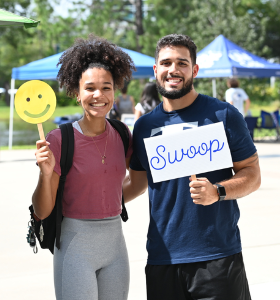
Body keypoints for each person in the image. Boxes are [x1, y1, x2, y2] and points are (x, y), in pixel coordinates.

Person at [123, 34, 261, 300]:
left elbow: (252, 175)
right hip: (163, 258)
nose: (173, 70)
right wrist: (88, 200)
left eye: (182, 63)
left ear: (194, 70)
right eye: (165, 63)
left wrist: (217, 191)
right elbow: (136, 184)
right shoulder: (143, 127)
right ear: (156, 70)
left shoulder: (223, 115)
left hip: (217, 256)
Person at [32, 34, 135, 300]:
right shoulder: (59, 139)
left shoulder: (123, 133)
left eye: (106, 87)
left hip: (115, 246)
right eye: (90, 88)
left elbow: (138, 179)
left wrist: (113, 197)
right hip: (75, 248)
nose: (98, 95)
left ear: (115, 90)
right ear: (76, 93)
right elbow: (43, 210)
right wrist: (45, 176)